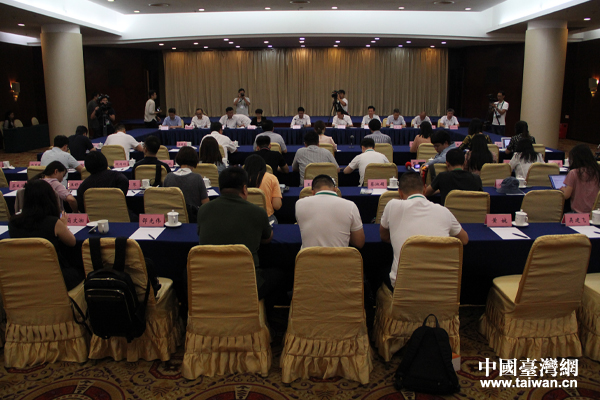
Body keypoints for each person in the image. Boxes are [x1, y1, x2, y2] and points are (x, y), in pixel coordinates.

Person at [197, 167, 278, 301]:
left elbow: (200, 233)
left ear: (220, 188)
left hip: (210, 280)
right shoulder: (258, 212)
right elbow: (267, 238)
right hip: (247, 283)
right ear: (244, 189)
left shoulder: (204, 210)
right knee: (278, 274)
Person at [380, 171, 468, 289]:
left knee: (382, 269)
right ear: (425, 189)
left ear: (400, 192)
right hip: (440, 285)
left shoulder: (392, 205)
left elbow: (384, 236)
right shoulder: (444, 211)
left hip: (403, 285)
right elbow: (464, 240)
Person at [9, 179, 84, 291]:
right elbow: (72, 242)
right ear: (49, 198)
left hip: (23, 274)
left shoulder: (13, 222)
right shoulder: (53, 222)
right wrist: (64, 225)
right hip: (54, 275)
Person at [296, 174, 364, 248]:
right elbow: (359, 242)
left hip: (309, 255)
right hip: (340, 255)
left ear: (313, 192)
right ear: (335, 190)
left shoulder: (299, 203)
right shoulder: (351, 206)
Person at [163, 146, 209, 223]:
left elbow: (164, 200)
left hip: (172, 219)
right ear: (195, 160)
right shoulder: (197, 178)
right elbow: (206, 204)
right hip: (193, 220)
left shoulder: (168, 177)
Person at [560, 144, 600, 214]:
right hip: (594, 213)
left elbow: (566, 195)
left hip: (577, 213)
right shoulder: (597, 171)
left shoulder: (574, 173)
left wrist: (563, 189)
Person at [243, 155, 283, 224]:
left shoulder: (239, 179)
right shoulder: (271, 178)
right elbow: (277, 206)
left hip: (243, 219)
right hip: (267, 219)